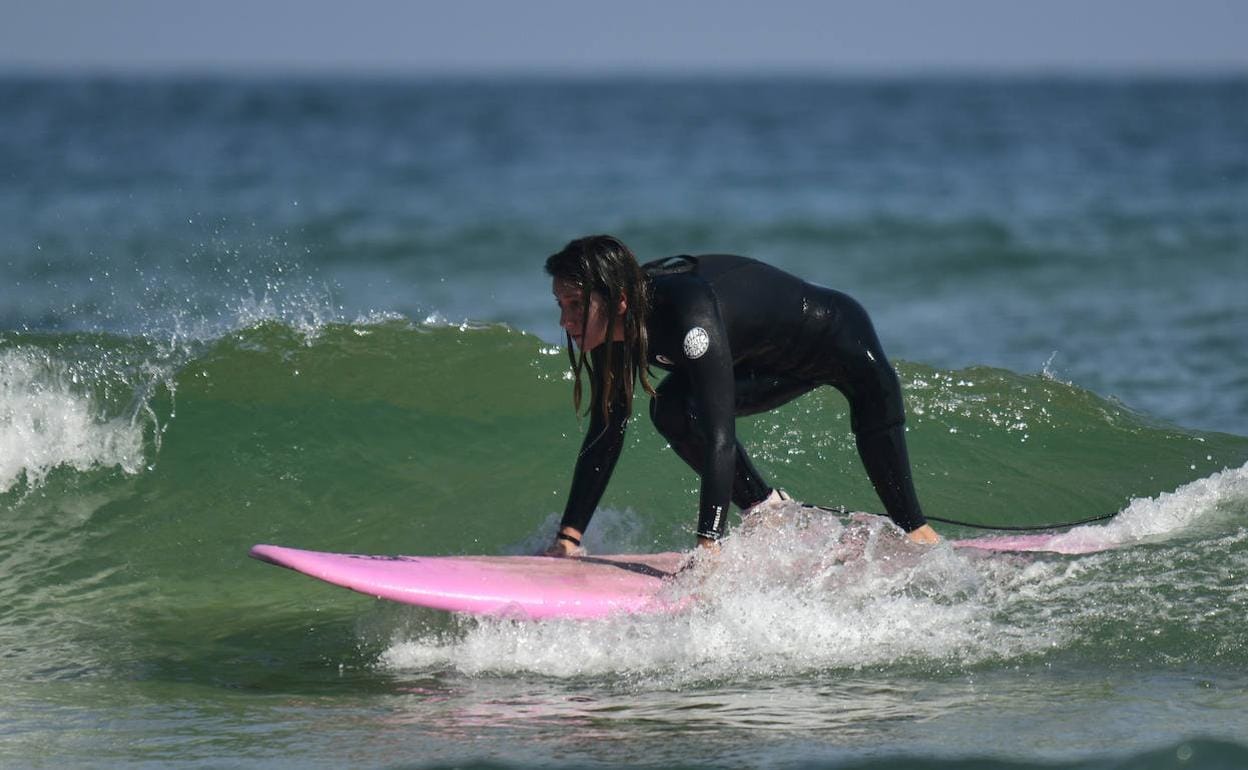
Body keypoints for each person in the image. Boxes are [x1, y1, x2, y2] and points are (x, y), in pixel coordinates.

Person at [544, 234, 940, 556]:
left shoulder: (686, 314)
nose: (565, 321)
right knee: (670, 410)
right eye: (561, 305)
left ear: (619, 301)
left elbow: (720, 435)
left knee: (909, 523)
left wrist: (708, 544)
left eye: (577, 305)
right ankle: (769, 509)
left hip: (839, 339)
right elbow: (605, 430)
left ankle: (923, 540)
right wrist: (569, 537)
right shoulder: (611, 334)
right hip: (762, 363)